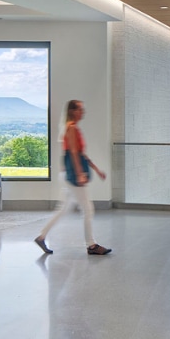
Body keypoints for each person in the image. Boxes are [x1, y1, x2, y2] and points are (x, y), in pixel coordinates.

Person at [35, 100, 111, 256]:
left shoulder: (73, 128)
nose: (83, 112)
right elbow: (74, 153)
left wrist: (96, 170)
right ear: (73, 111)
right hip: (73, 176)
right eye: (80, 109)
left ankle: (41, 236)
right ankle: (91, 245)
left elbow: (82, 154)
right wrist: (79, 173)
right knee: (88, 209)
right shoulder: (71, 128)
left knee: (63, 209)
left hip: (68, 175)